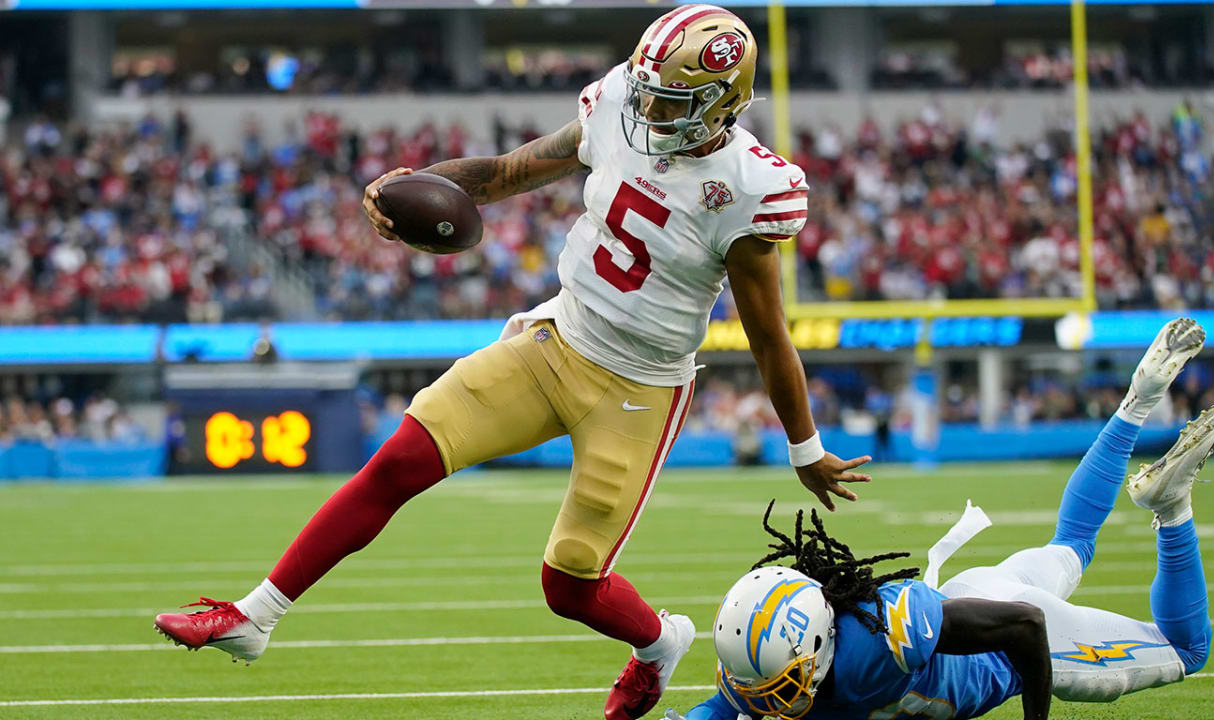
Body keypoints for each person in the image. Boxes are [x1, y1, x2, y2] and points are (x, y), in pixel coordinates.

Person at [153, 6, 872, 719]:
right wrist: (417, 184)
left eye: (670, 99)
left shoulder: (749, 186)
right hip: (557, 338)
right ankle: (255, 616)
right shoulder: (621, 101)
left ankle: (658, 645)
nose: (648, 107)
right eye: (648, 89)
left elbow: (769, 335)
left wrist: (804, 447)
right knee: (399, 461)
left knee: (568, 585)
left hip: (640, 388)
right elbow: (504, 172)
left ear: (722, 100)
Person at [675, 318, 1214, 720]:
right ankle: (1140, 397)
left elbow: (1026, 626)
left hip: (1019, 639)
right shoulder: (764, 656)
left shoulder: (876, 646)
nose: (765, 701)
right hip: (972, 593)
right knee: (1074, 542)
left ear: (818, 647)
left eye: (778, 685)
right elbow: (722, 707)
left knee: (1188, 651)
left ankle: (1172, 507)